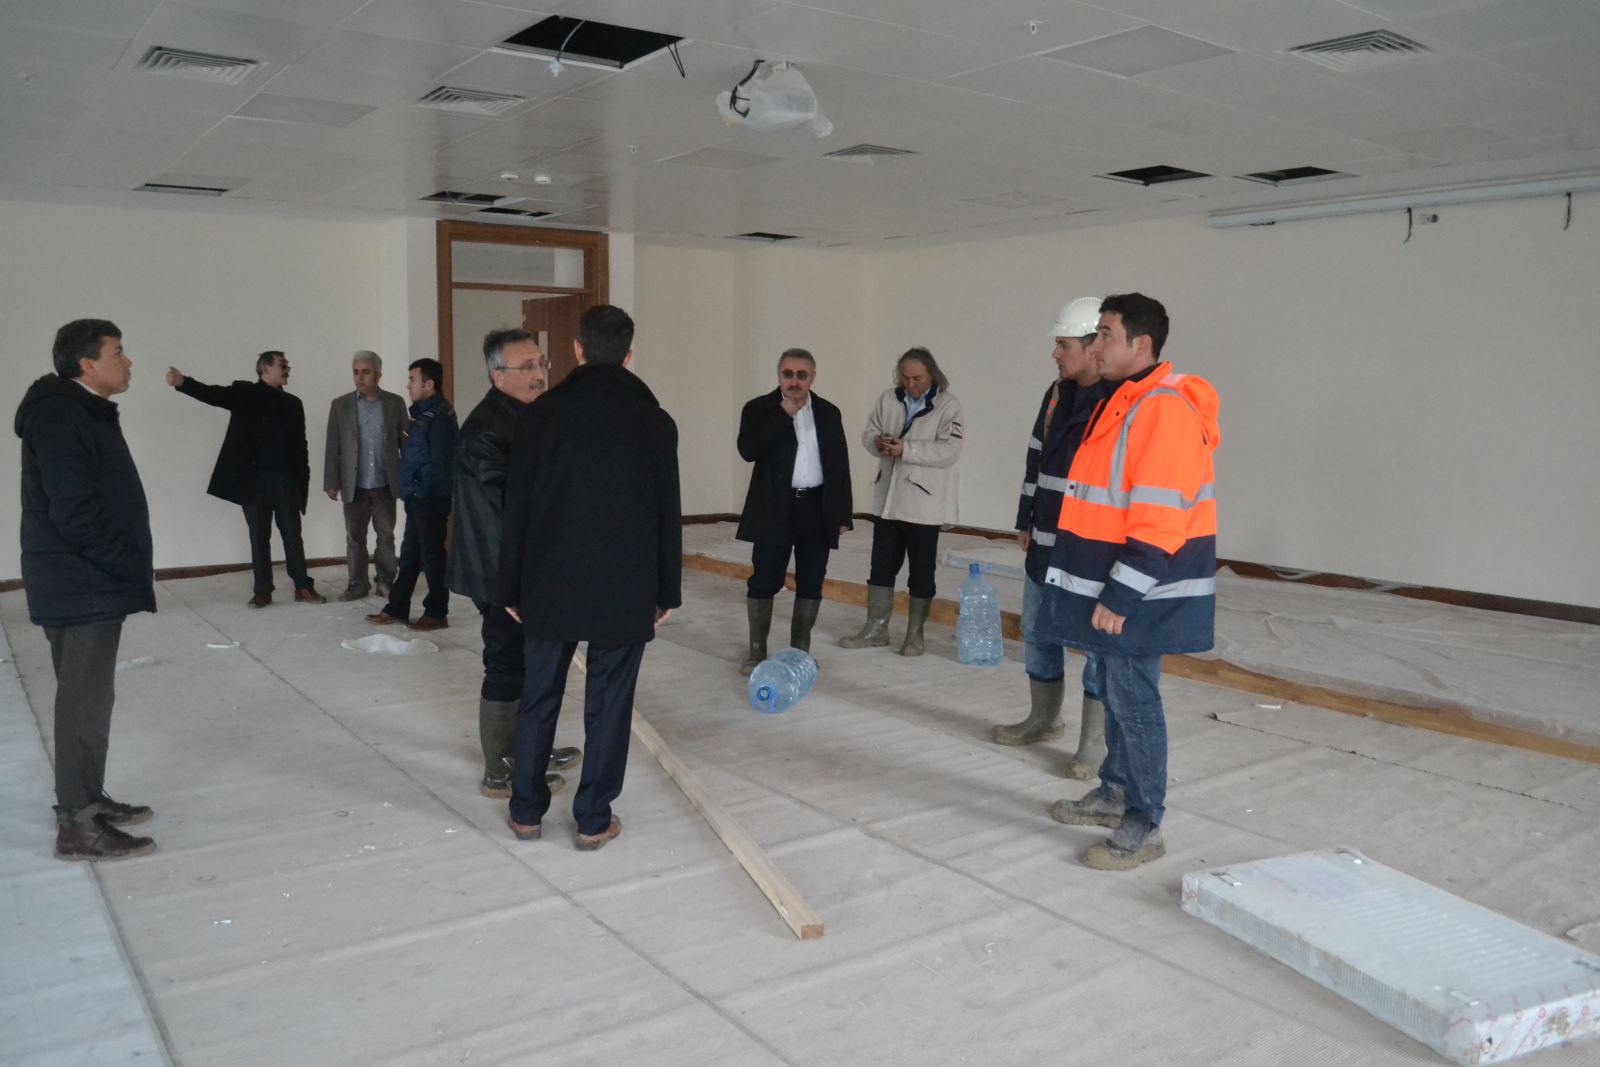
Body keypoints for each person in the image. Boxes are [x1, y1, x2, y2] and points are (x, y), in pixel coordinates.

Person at [1045, 293, 1219, 871]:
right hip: (1110, 584)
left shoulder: (1163, 409)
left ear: (1140, 344)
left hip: (1138, 593)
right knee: (1114, 690)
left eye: (1105, 335)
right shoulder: (1123, 400)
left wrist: (1121, 594)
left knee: (1134, 701)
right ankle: (1115, 792)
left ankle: (1144, 824)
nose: (1094, 345)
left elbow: (1161, 516)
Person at [496, 305, 680, 851]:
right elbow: (667, 513)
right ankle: (593, 819)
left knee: (538, 695)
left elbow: (517, 509)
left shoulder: (539, 416)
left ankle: (526, 812)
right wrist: (666, 589)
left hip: (549, 580)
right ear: (629, 355)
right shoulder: (654, 422)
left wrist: (509, 585)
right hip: (624, 585)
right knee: (610, 702)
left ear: (577, 349)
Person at [17, 320, 157, 860]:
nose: (128, 361)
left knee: (91, 699)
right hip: (82, 582)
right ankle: (77, 824)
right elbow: (73, 512)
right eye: (118, 352)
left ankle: (88, 799)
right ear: (87, 364)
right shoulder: (61, 415)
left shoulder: (78, 410)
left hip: (86, 579)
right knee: (83, 702)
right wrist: (124, 562)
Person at [447, 329, 579, 797]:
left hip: (525, 564)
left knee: (530, 661)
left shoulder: (528, 415)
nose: (539, 374)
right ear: (498, 376)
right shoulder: (487, 430)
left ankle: (531, 749)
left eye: (541, 363)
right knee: (505, 662)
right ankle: (500, 768)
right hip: (499, 571)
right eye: (527, 367)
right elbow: (508, 507)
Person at [992, 297, 1111, 782]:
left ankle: (1094, 745)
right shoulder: (1057, 394)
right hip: (1045, 538)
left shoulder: (1117, 399)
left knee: (1096, 647)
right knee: (1038, 630)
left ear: (1091, 347)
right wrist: (1025, 518)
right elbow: (1036, 458)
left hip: (1091, 546)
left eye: (1063, 345)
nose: (1055, 354)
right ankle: (1044, 719)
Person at [167, 351, 326, 607]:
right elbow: (212, 394)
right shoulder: (244, 393)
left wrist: (302, 481)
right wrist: (183, 382)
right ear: (265, 369)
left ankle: (303, 586)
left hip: (285, 481)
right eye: (283, 365)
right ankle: (262, 590)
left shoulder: (293, 403)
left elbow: (300, 446)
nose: (287, 369)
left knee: (293, 535)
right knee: (258, 536)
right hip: (253, 482)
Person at [734, 348, 852, 674]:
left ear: (812, 377)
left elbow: (839, 465)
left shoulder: (828, 412)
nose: (794, 381)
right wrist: (781, 413)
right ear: (779, 376)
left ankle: (800, 652)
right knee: (765, 578)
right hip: (774, 506)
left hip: (816, 506)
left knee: (812, 579)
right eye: (788, 374)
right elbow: (748, 450)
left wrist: (842, 514)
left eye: (802, 375)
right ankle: (757, 652)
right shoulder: (759, 408)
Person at [840, 347, 963, 657]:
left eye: (917, 378)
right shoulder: (888, 399)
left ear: (932, 375)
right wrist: (877, 442)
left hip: (923, 505)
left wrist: (906, 450)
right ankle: (876, 629)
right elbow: (868, 432)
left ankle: (915, 634)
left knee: (921, 571)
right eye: (905, 378)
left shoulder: (948, 406)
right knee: (881, 565)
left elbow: (949, 451)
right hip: (888, 502)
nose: (910, 384)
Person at [368, 358, 458, 631]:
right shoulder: (421, 414)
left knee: (432, 558)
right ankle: (397, 607)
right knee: (410, 556)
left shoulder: (440, 417)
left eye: (412, 380)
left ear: (429, 384)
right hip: (417, 497)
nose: (408, 386)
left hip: (429, 498)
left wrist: (420, 489)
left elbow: (441, 463)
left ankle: (437, 612)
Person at [322, 350, 406, 601]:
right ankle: (357, 584)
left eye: (366, 372)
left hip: (385, 483)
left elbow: (406, 444)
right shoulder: (340, 405)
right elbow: (332, 446)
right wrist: (331, 482)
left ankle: (385, 581)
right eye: (356, 372)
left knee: (386, 536)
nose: (359, 378)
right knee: (354, 537)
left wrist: (408, 479)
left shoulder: (395, 403)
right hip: (354, 484)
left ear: (378, 375)